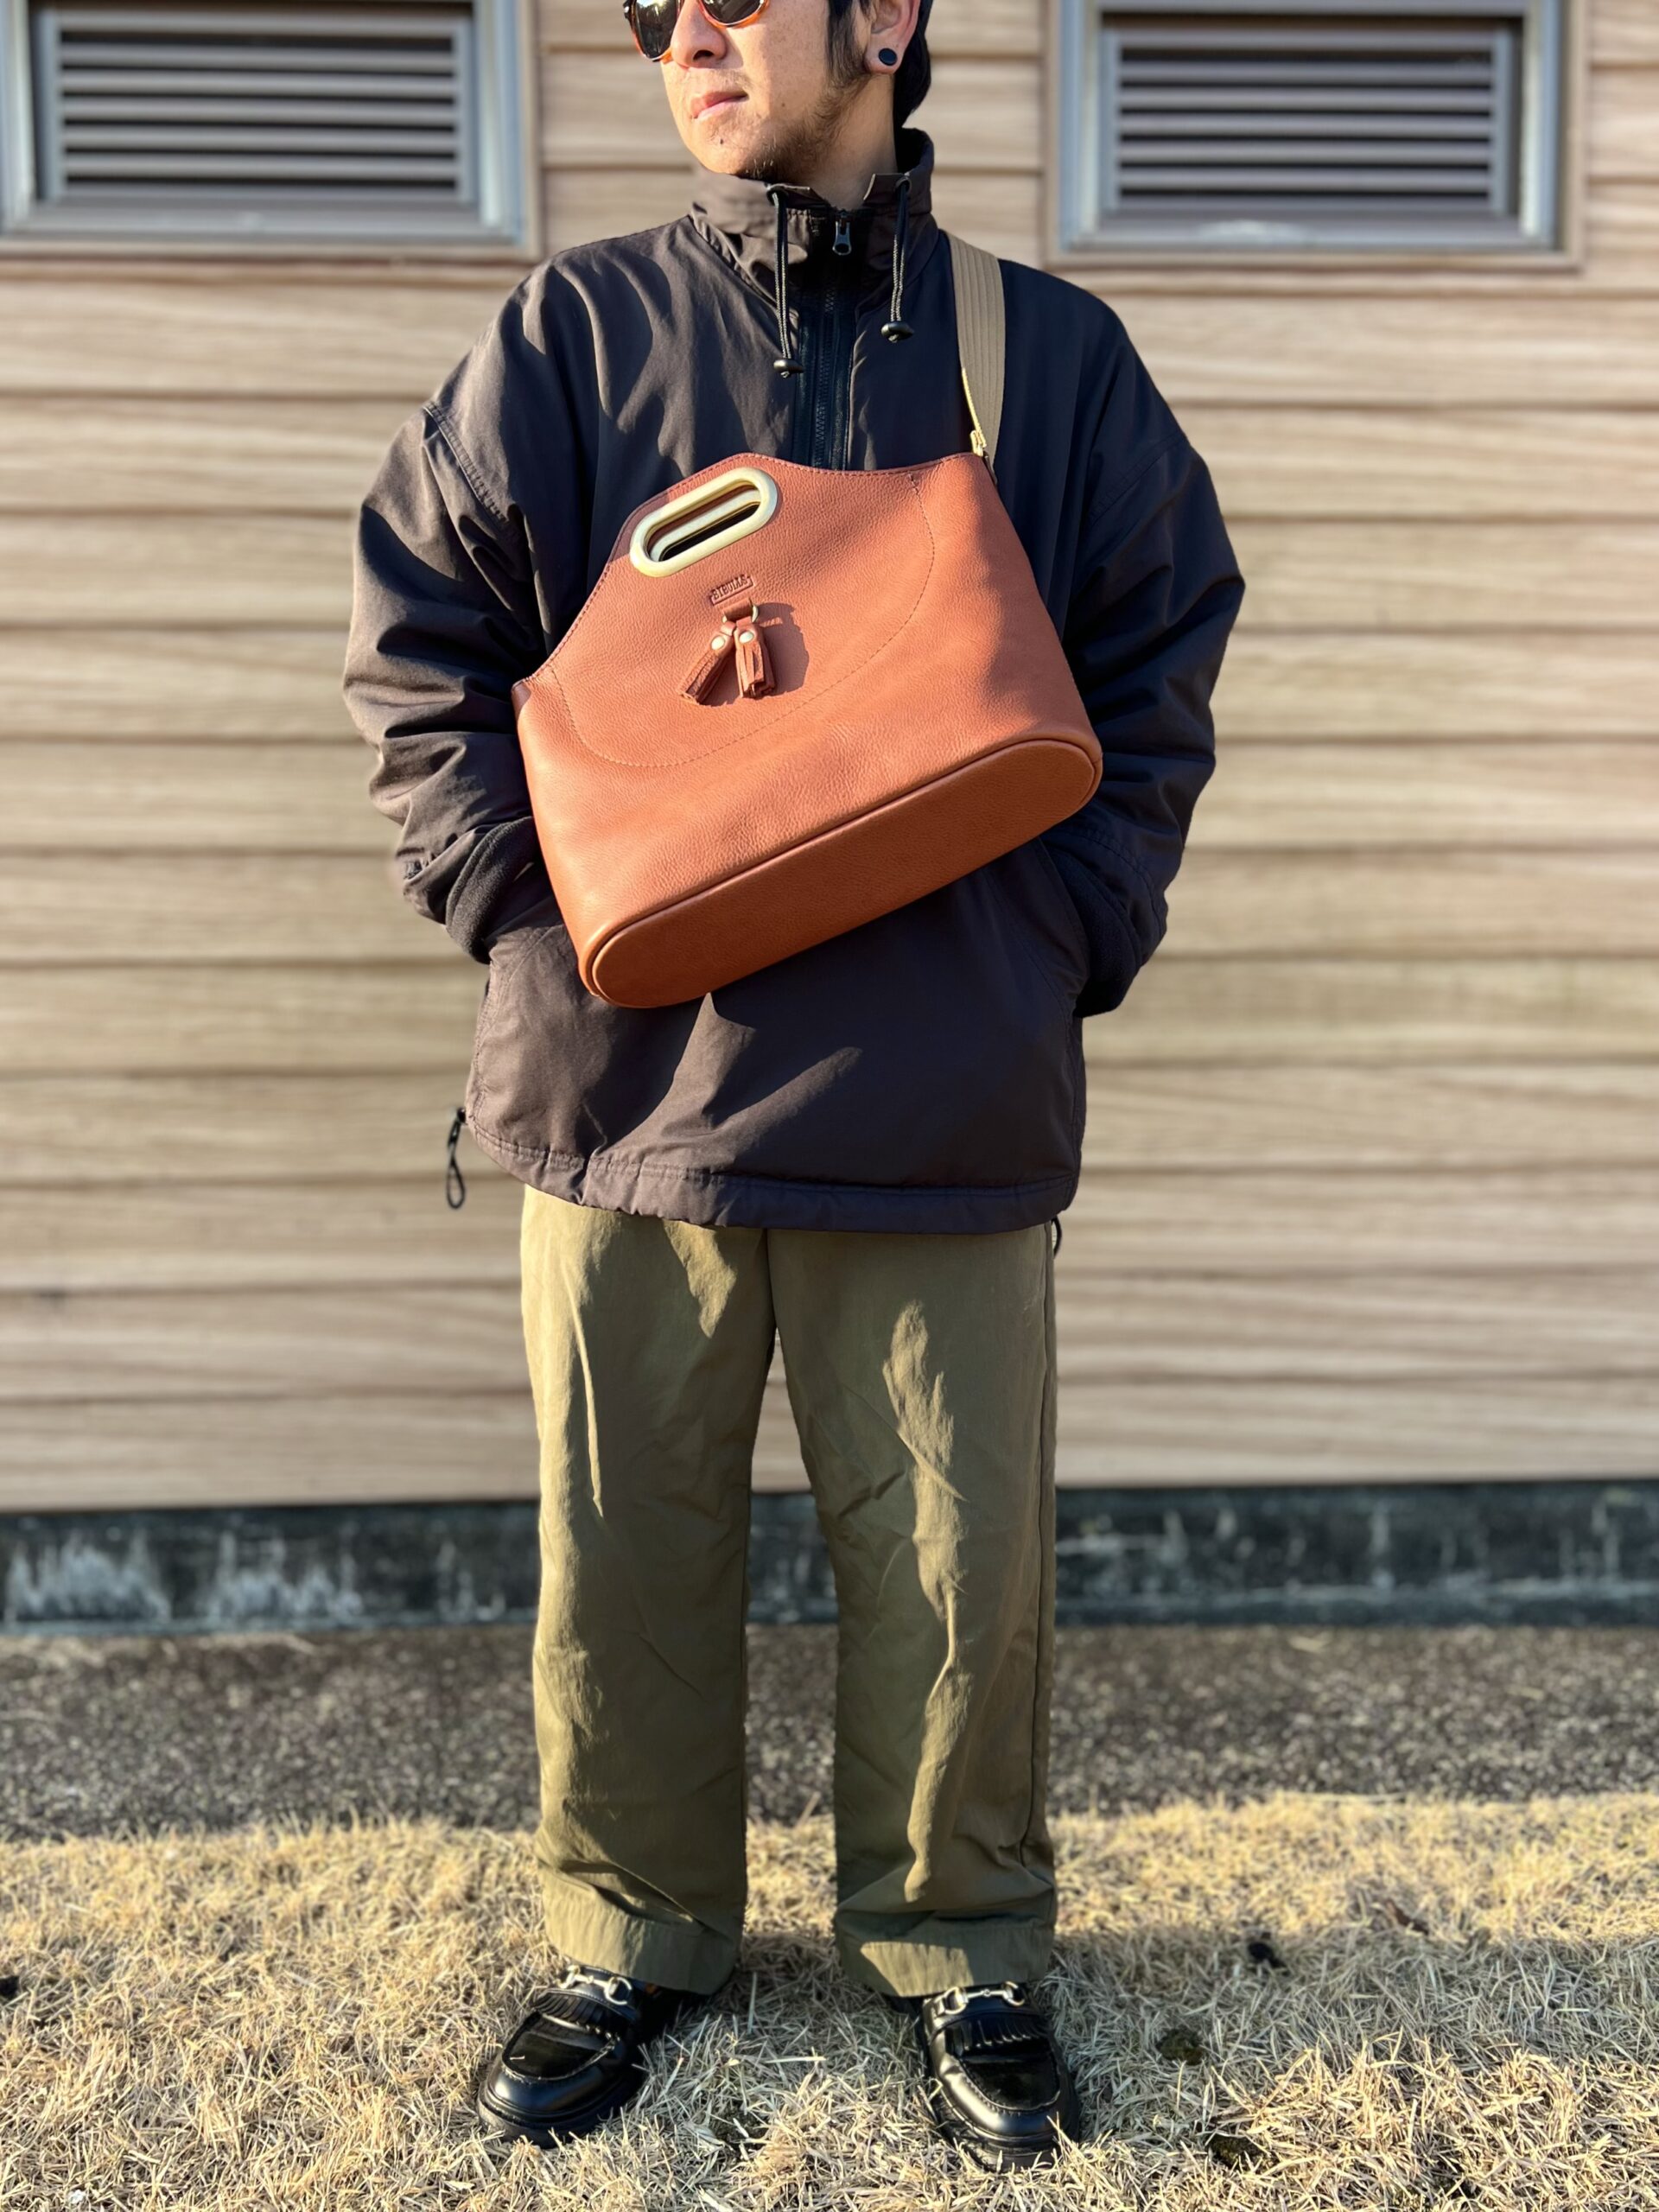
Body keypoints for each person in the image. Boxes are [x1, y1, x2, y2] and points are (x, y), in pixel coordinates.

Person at [341, 0, 1243, 2170]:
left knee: (956, 1558)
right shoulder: (573, 338)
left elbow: (1158, 654)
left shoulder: (1045, 358)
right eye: (651, 8)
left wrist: (1056, 938)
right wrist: (528, 915)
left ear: (890, 18)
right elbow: (420, 643)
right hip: (624, 1087)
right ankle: (628, 1934)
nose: (687, 33)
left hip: (947, 1094)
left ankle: (962, 1946)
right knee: (621, 1548)